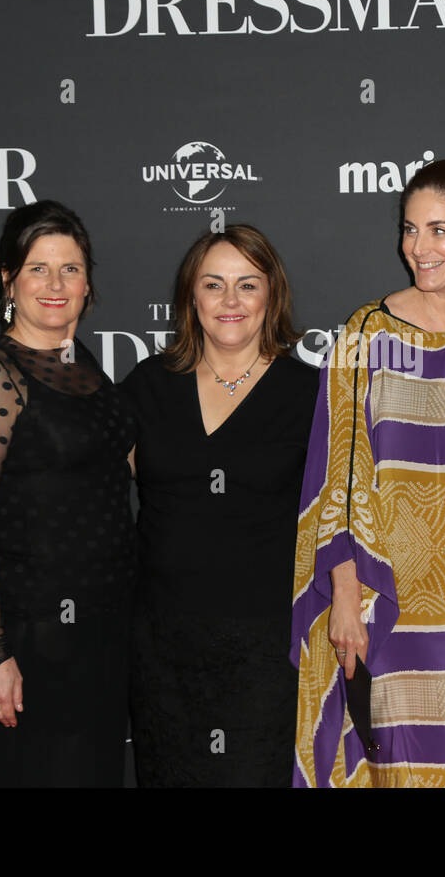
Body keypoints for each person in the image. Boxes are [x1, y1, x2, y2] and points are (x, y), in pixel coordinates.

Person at [291, 159, 445, 787]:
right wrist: (345, 597)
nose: (418, 248)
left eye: (438, 230)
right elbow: (338, 478)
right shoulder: (365, 334)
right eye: (410, 229)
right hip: (399, 605)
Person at [0, 200, 137, 787]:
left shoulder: (88, 369)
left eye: (70, 269)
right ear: (8, 279)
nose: (56, 285)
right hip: (33, 639)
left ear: (88, 283)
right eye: (37, 269)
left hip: (106, 633)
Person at [122, 225, 317, 787]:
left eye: (247, 285)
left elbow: (341, 518)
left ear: (271, 296)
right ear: (191, 297)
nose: (230, 302)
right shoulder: (148, 385)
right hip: (162, 647)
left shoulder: (309, 393)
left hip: (264, 648)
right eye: (214, 284)